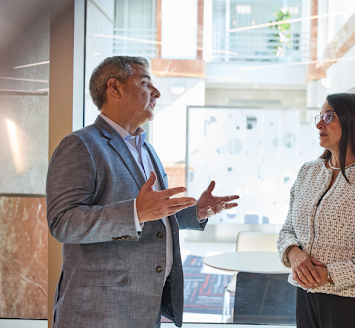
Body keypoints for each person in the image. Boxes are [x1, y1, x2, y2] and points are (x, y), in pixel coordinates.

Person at [46, 56, 239, 328]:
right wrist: (135, 212)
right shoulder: (80, 145)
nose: (157, 93)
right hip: (99, 311)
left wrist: (194, 212)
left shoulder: (146, 148)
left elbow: (153, 218)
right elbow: (62, 223)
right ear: (114, 88)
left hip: (144, 307)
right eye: (146, 83)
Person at [277, 93, 355, 328]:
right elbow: (286, 231)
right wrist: (294, 254)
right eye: (320, 115)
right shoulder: (308, 171)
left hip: (352, 300)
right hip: (305, 294)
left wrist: (331, 274)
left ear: (353, 121)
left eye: (328, 116)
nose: (319, 123)